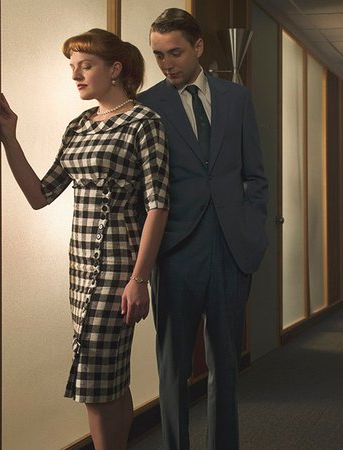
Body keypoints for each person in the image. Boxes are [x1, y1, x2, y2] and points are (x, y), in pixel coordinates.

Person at [0, 28, 170, 450]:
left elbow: (158, 205)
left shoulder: (144, 122)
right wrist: (9, 138)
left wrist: (140, 278)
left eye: (85, 66)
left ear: (115, 69)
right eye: (72, 67)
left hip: (119, 266)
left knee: (96, 381)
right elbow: (40, 195)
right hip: (79, 265)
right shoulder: (78, 126)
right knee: (110, 378)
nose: (76, 75)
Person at [138, 8, 268, 450]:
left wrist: (253, 229)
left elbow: (255, 174)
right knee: (172, 367)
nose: (166, 63)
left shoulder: (237, 98)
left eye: (174, 52)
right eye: (158, 55)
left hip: (232, 248)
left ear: (198, 47)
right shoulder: (147, 106)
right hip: (176, 251)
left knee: (225, 364)